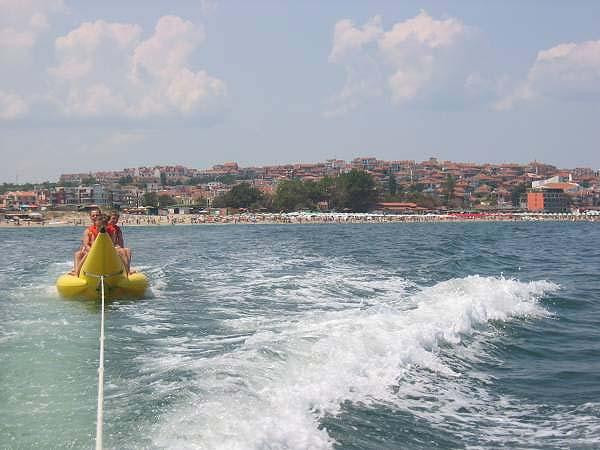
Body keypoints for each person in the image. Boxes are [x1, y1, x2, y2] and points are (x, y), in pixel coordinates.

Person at [71, 208, 102, 276]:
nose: (95, 217)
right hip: (91, 251)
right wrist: (92, 251)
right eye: (93, 216)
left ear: (100, 216)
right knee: (78, 254)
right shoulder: (87, 231)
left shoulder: (106, 228)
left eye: (97, 215)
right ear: (90, 217)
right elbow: (86, 245)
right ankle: (77, 273)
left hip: (104, 251)